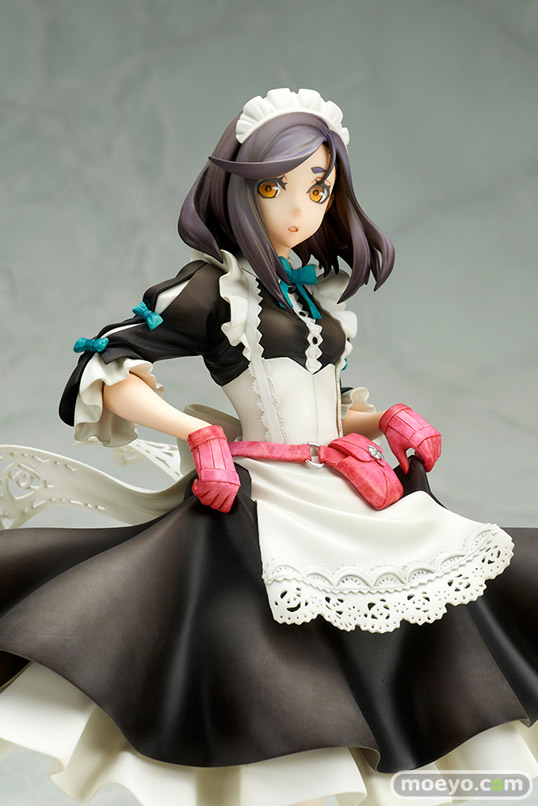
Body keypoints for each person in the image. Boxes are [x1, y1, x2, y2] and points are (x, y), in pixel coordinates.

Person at [0, 88, 536, 806]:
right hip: (267, 498)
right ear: (238, 188)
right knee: (259, 647)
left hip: (345, 486)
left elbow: (329, 412)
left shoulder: (316, 297)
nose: (299, 208)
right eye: (273, 187)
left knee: (444, 592)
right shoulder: (215, 291)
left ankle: (404, 762)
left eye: (318, 188)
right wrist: (197, 432)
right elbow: (108, 367)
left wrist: (385, 421)